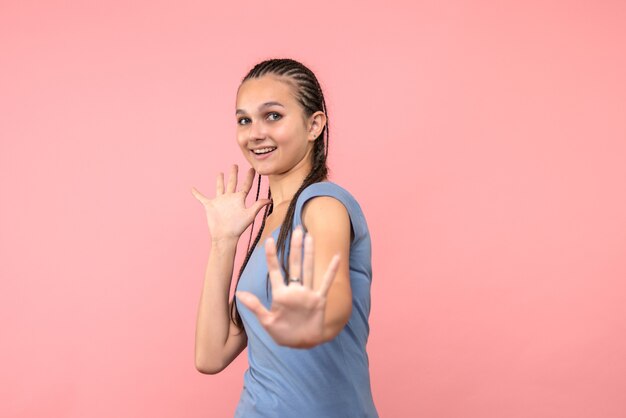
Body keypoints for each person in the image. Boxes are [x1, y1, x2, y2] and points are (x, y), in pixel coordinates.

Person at [191, 58, 378, 417]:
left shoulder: (323, 204)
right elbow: (210, 355)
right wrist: (223, 242)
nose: (254, 133)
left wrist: (312, 320)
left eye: (273, 116)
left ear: (314, 125)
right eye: (244, 120)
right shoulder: (266, 221)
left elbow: (332, 299)